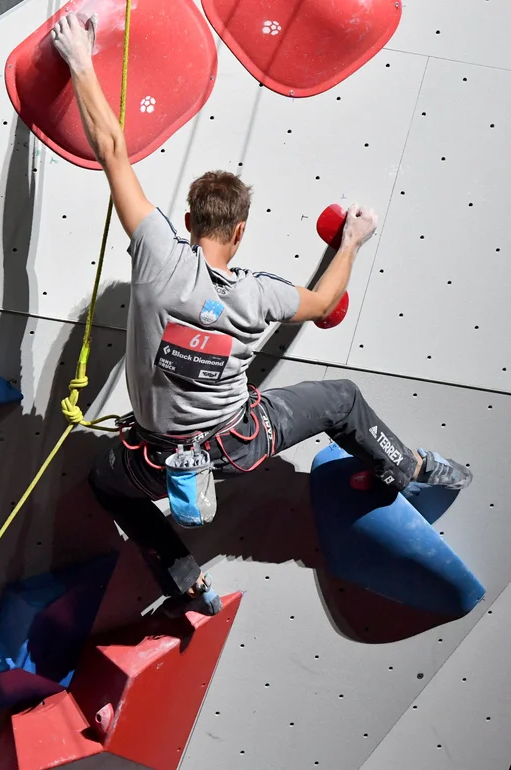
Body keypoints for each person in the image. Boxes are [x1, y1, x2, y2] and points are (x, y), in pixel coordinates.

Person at [51, 13, 473, 616]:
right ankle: (408, 466)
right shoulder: (263, 296)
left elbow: (112, 147)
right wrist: (350, 241)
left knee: (104, 478)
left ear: (189, 223)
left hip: (155, 461)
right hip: (238, 445)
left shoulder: (155, 257)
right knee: (342, 401)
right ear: (240, 233)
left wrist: (78, 57)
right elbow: (323, 304)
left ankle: (186, 579)